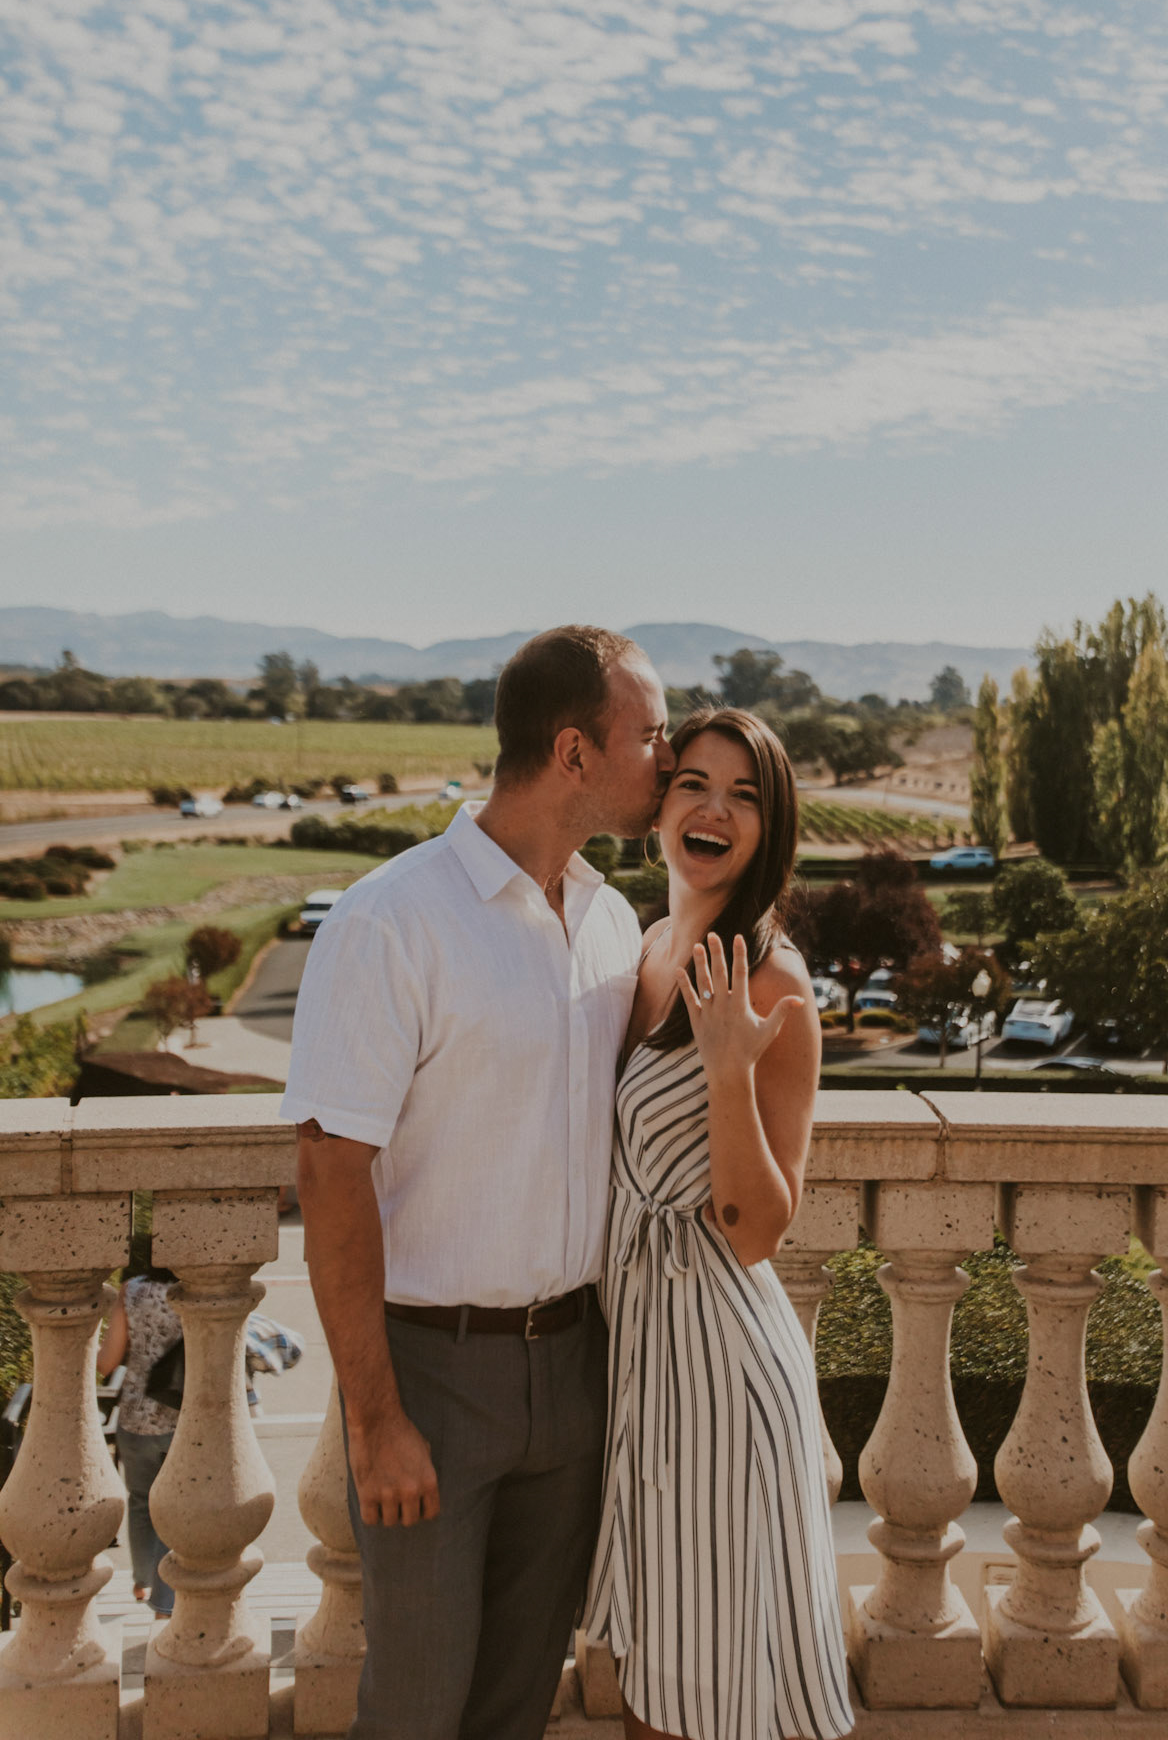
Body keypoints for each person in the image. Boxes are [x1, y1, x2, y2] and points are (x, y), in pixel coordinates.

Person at [281, 625, 674, 1740]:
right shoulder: (389, 921)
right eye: (649, 732)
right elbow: (330, 1170)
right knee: (413, 1710)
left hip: (577, 1368)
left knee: (515, 1709)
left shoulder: (609, 921)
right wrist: (374, 1420)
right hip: (431, 1383)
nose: (669, 749)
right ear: (572, 751)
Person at [583, 706, 854, 1740]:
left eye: (746, 794)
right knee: (664, 1678)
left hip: (720, 1369)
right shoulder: (653, 941)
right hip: (648, 1356)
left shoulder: (775, 980)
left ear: (771, 826)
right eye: (694, 780)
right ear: (660, 801)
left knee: (710, 1699)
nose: (714, 808)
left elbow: (758, 1228)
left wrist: (733, 1068)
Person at [97, 1263, 181, 1618]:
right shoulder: (199, 1291)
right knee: (173, 1509)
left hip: (136, 1415)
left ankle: (142, 1580)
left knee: (141, 1500)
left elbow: (107, 1362)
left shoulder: (132, 1290)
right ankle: (164, 1604)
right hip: (183, 1416)